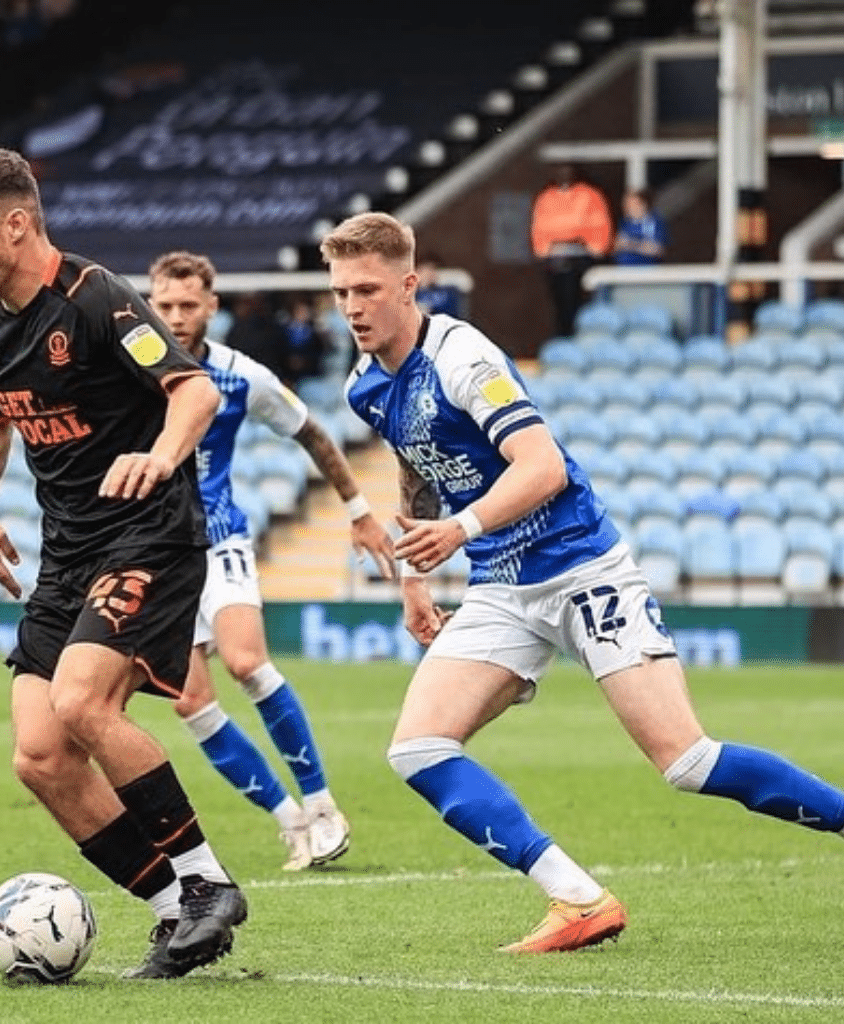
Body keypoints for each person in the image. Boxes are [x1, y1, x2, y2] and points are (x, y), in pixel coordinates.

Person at [321, 210, 844, 953]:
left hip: (580, 569)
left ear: (409, 286)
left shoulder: (462, 356)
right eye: (341, 292)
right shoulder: (365, 386)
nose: (351, 307)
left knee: (687, 762)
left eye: (367, 290)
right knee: (418, 749)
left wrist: (460, 530)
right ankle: (577, 899)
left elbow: (543, 467)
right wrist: (413, 577)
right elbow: (417, 458)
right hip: (502, 584)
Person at [0, 147, 246, 980]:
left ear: (15, 224)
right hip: (67, 554)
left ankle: (209, 884)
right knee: (40, 755)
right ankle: (175, 916)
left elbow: (196, 391)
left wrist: (162, 456)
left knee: (80, 701)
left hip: (148, 535)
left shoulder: (96, 299)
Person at [147, 250, 393, 870]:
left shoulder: (239, 376)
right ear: (149, 305)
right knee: (190, 702)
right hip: (152, 553)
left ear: (212, 306)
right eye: (165, 304)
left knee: (247, 662)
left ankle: (322, 804)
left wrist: (360, 511)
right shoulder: (126, 370)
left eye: (188, 305)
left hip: (219, 539)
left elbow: (311, 432)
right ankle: (292, 822)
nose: (175, 316)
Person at [530, 163, 612, 337]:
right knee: (560, 305)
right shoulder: (547, 198)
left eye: (568, 171)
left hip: (581, 258)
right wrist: (544, 249)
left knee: (580, 304)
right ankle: (564, 335)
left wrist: (593, 246)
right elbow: (540, 229)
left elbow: (598, 227)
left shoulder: (589, 195)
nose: (564, 175)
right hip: (555, 259)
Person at [613, 188, 668, 267]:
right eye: (625, 204)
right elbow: (615, 246)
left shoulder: (654, 221)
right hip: (623, 269)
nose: (627, 207)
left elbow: (657, 250)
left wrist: (630, 244)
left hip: (646, 269)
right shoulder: (624, 222)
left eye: (631, 204)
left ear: (643, 204)